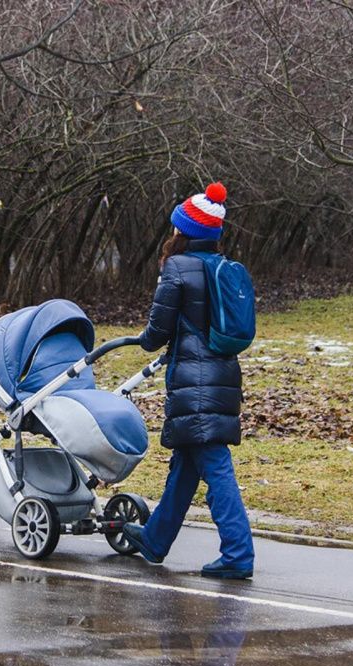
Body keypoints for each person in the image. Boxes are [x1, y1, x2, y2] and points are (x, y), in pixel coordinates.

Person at [122, 181, 255, 580]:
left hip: (194, 384)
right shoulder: (221, 267)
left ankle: (238, 554)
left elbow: (157, 331)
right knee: (185, 464)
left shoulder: (178, 268)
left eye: (177, 226)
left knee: (216, 468)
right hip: (221, 376)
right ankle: (155, 539)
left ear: (186, 231)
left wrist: (143, 340)